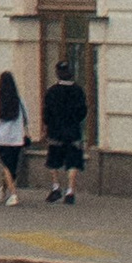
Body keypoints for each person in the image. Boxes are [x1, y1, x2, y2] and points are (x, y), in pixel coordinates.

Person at [41, 56, 90, 204]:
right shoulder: (78, 91)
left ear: (57, 73)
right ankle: (70, 191)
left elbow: (46, 112)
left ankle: (56, 186)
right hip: (73, 130)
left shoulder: (52, 91)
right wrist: (74, 120)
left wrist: (47, 126)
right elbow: (83, 111)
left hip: (55, 131)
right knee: (73, 160)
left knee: (54, 160)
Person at [0, 63, 28, 208]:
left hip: (1, 138)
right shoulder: (19, 101)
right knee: (10, 167)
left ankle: (5, 188)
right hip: (16, 138)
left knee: (7, 166)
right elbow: (25, 117)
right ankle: (13, 193)